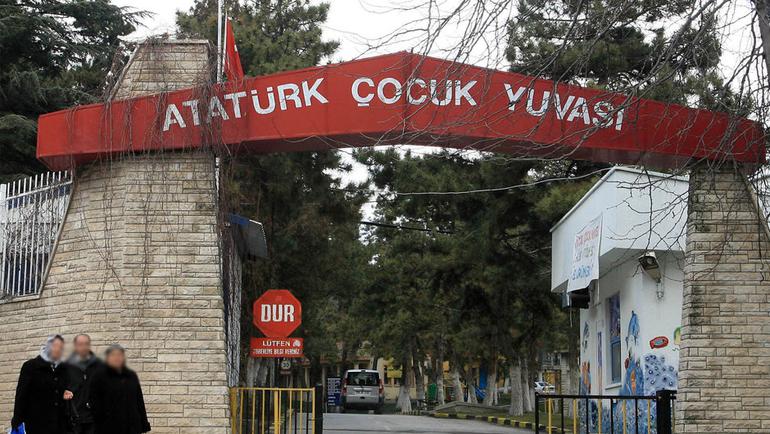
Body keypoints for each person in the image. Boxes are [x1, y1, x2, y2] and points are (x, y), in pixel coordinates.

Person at [11, 335, 69, 433]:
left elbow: (59, 393)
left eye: (61, 347)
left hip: (58, 426)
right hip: (37, 425)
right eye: (55, 346)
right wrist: (17, 421)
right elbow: (21, 396)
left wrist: (65, 393)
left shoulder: (62, 369)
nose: (58, 350)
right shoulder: (30, 366)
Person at [90, 344, 151, 434]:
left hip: (133, 426)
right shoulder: (99, 376)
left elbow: (139, 401)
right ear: (107, 358)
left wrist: (144, 423)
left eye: (119, 355)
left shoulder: (131, 375)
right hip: (109, 427)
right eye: (113, 355)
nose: (116, 358)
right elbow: (94, 402)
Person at [65, 334, 103, 434]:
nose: (84, 347)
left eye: (86, 344)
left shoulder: (99, 365)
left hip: (94, 418)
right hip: (73, 420)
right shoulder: (66, 366)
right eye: (80, 344)